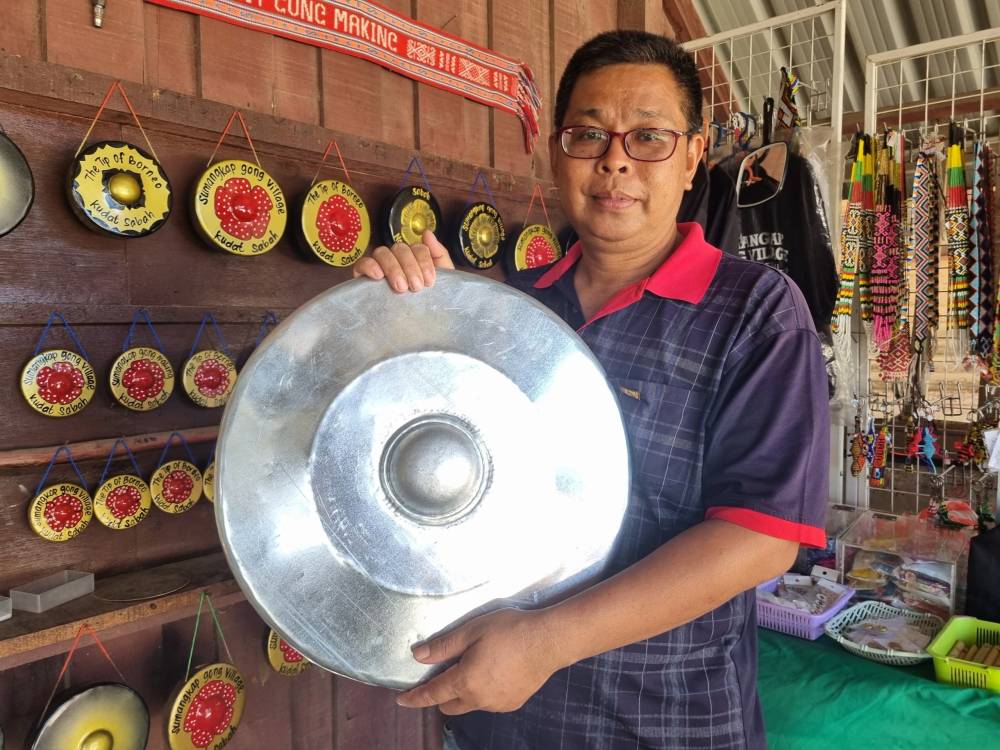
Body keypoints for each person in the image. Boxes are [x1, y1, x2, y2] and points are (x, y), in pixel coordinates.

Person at [354, 30, 829, 750]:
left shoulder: (756, 311)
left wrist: (545, 643)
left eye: (648, 137)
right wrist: (394, 313)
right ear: (556, 151)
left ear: (695, 154)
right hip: (499, 726)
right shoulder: (508, 313)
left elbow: (760, 540)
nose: (614, 160)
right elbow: (424, 471)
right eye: (588, 134)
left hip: (665, 724)